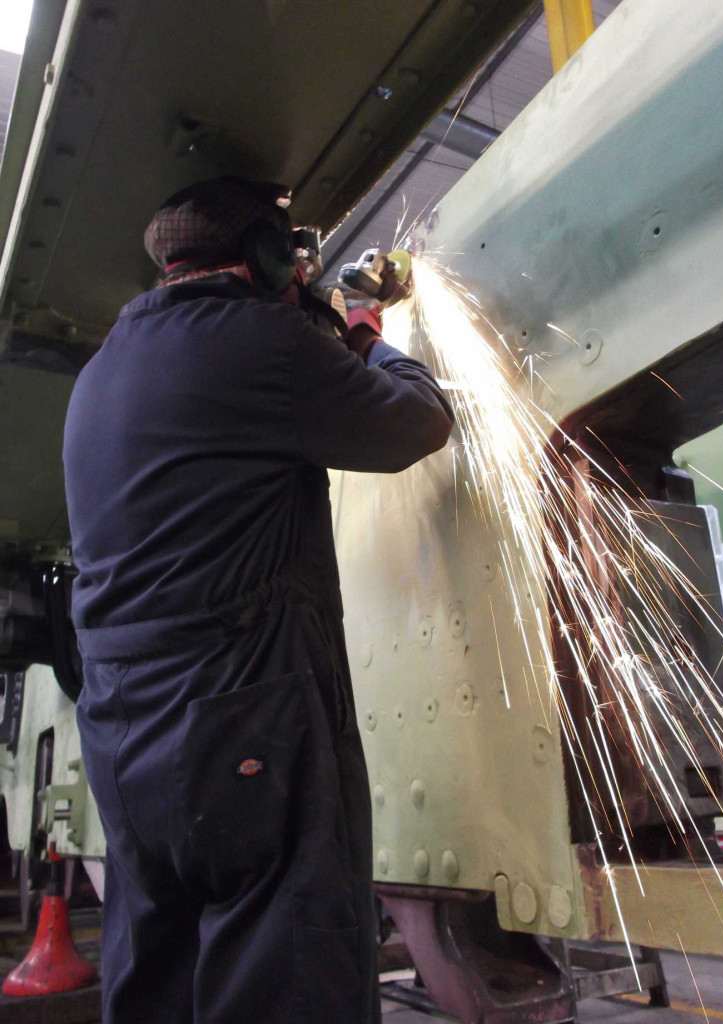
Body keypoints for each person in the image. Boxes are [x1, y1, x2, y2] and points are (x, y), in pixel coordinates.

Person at [62, 176, 454, 1024]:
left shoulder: (103, 369)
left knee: (157, 975)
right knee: (285, 968)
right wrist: (367, 331)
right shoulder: (260, 346)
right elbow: (414, 422)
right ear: (271, 258)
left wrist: (321, 326)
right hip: (240, 718)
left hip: (126, 733)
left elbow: (252, 396)